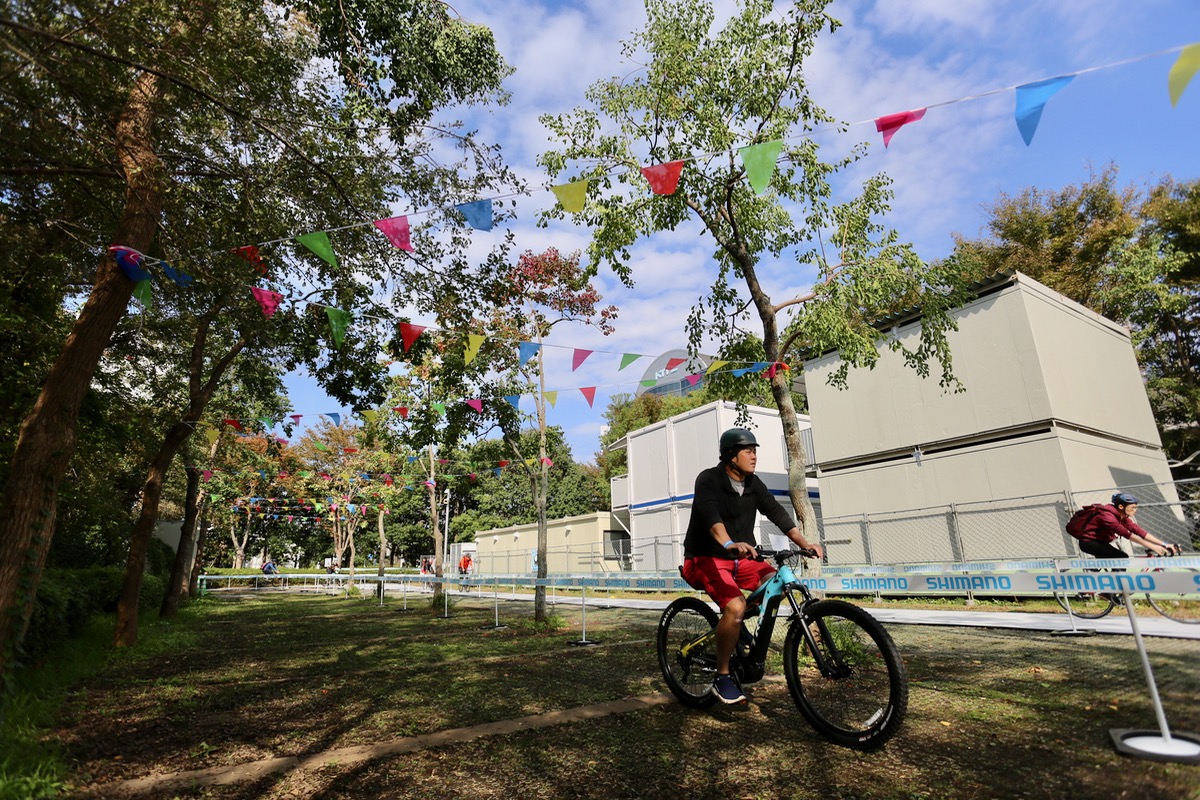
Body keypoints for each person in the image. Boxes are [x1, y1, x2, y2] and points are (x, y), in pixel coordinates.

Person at [681, 427, 824, 705]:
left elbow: (778, 513)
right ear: (730, 455)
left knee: (778, 584)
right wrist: (727, 543)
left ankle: (736, 626)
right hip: (705, 558)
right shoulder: (709, 480)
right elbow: (711, 516)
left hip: (741, 560)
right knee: (735, 607)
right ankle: (722, 677)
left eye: (755, 450)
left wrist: (805, 543)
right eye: (747, 450)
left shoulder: (753, 484)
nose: (754, 455)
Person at [1074, 492, 1177, 559]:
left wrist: (1164, 544)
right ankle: (1109, 592)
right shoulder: (1107, 517)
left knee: (1116, 559)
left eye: (1136, 507)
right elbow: (1126, 534)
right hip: (1088, 543)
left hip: (1101, 541)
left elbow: (1139, 531)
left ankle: (1104, 583)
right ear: (1120, 506)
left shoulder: (1122, 516)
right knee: (1121, 558)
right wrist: (1152, 546)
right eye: (1132, 507)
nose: (1135, 510)